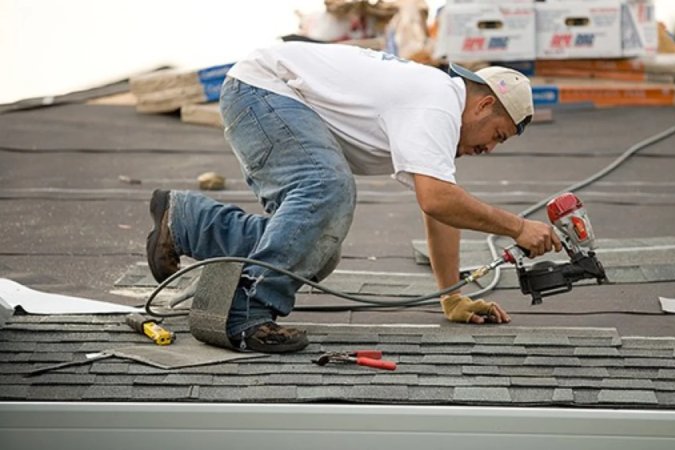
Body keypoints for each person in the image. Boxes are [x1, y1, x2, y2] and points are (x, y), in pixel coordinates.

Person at [146, 41, 561, 354]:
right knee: (328, 189)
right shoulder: (439, 104)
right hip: (264, 90)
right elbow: (438, 200)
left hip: (263, 95)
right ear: (484, 104)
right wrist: (519, 227)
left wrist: (451, 297)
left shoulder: (436, 106)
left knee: (317, 252)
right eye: (497, 136)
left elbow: (440, 209)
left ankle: (187, 222)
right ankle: (247, 311)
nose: (488, 149)